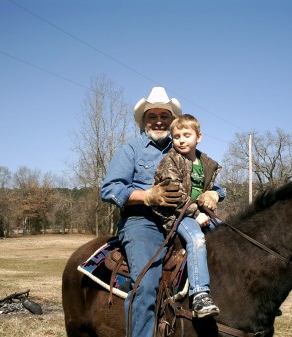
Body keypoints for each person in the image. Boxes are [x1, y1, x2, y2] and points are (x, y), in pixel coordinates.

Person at [101, 87, 226, 337]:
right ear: (144, 121)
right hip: (142, 221)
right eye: (152, 116)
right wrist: (146, 196)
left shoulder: (182, 144)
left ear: (172, 121)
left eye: (164, 116)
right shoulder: (131, 150)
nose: (158, 121)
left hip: (184, 218)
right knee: (146, 283)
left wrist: (216, 194)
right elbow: (109, 189)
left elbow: (208, 178)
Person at [151, 114, 222, 318]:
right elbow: (173, 193)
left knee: (226, 237)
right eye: (176, 136)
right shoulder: (170, 161)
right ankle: (199, 295)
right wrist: (195, 213)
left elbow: (211, 188)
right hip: (177, 216)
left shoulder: (205, 163)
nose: (181, 140)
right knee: (196, 239)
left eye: (186, 135)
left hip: (202, 214)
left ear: (198, 137)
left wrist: (217, 194)